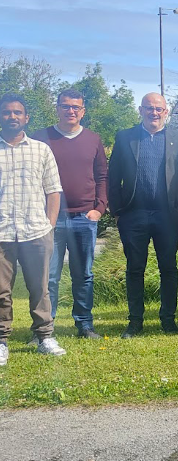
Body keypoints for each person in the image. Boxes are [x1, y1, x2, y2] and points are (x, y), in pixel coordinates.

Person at [109, 93, 178, 338]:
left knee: (168, 267)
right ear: (140, 110)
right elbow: (113, 177)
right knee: (135, 268)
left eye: (158, 109)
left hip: (168, 216)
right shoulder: (125, 137)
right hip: (133, 214)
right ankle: (135, 321)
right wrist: (117, 212)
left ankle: (168, 320)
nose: (153, 113)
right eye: (149, 108)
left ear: (166, 112)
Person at [32, 89, 107, 340]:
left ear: (83, 111)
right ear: (57, 108)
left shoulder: (93, 139)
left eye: (76, 107)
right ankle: (45, 329)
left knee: (83, 275)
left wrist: (100, 208)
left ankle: (84, 325)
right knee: (48, 277)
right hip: (48, 220)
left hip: (84, 217)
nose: (71, 111)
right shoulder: (40, 138)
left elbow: (102, 176)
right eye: (66, 106)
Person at [0, 93, 66, 366]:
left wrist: (49, 227)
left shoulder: (41, 150)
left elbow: (53, 190)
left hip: (35, 231)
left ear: (26, 118)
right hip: (1, 233)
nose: (12, 116)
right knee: (1, 290)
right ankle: (2, 341)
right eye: (7, 112)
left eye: (18, 112)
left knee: (40, 288)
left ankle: (45, 337)